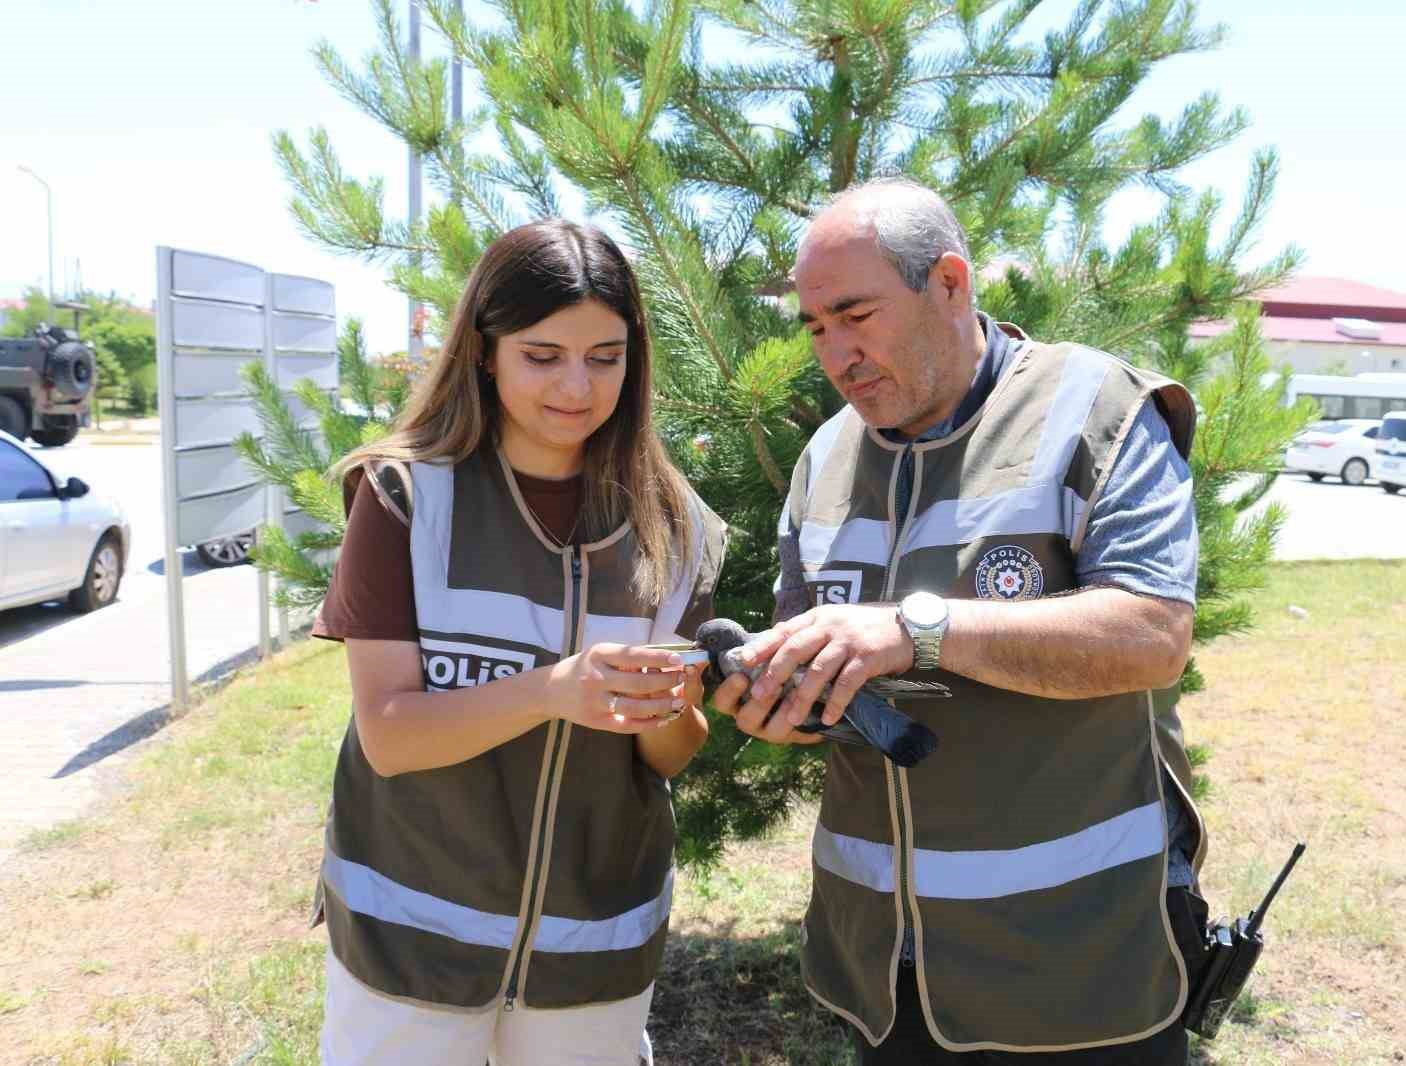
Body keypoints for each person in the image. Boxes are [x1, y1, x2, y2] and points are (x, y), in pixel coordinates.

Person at [710, 179, 1206, 1063]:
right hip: (883, 977)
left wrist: (917, 630)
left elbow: (1153, 637)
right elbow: (821, 682)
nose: (836, 353)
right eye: (816, 328)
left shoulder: (1098, 410)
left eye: (856, 315)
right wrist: (781, 701)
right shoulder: (824, 458)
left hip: (1081, 967)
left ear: (949, 283)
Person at [309, 220, 726, 1066]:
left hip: (594, 950)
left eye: (605, 358)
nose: (577, 386)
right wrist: (552, 691)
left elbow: (671, 756)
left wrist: (663, 707)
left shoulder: (679, 528)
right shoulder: (403, 497)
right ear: (484, 352)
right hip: (408, 949)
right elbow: (389, 736)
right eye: (542, 356)